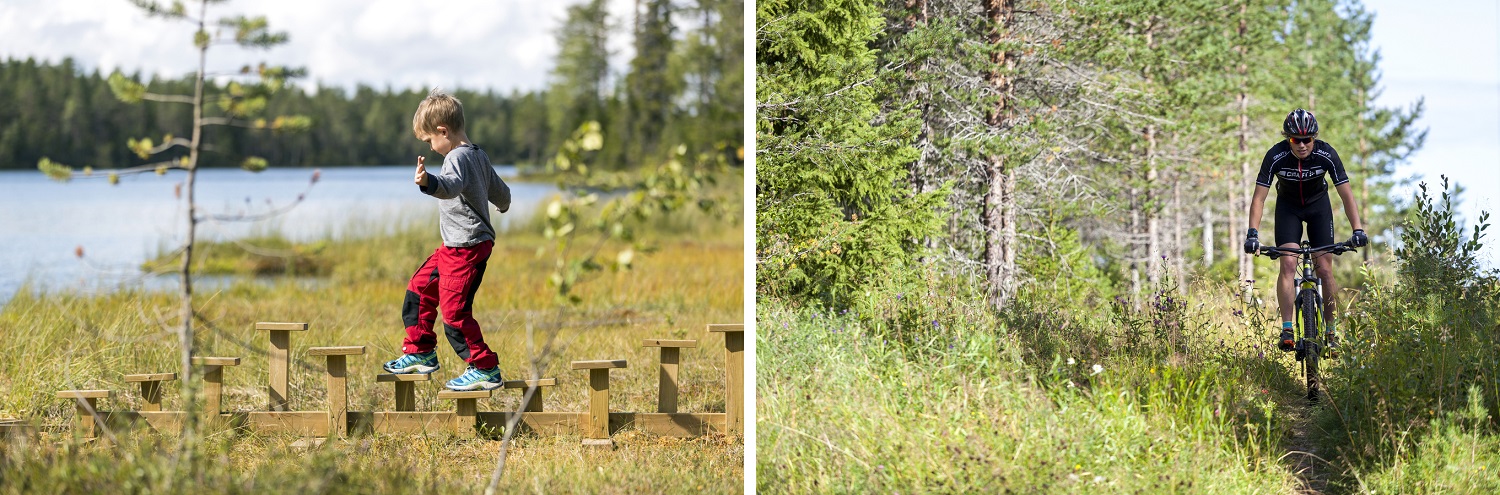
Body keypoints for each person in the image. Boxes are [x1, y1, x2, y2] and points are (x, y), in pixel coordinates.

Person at [382, 89, 512, 391]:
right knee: (419, 290)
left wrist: (428, 182)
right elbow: (500, 191)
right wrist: (503, 205)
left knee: (454, 314)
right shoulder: (479, 155)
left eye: (430, 140)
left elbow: (450, 186)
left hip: (466, 248)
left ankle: (484, 367)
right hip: (454, 247)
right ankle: (420, 351)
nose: (431, 146)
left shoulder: (455, 157)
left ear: (443, 131)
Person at [1244, 108, 1368, 352]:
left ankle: (1332, 332)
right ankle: (1287, 328)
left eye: (1307, 139)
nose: (1301, 145)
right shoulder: (1276, 155)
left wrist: (1358, 229)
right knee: (1288, 264)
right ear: (1287, 138)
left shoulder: (1326, 153)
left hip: (1318, 208)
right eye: (1295, 139)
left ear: (1315, 137)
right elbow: (1259, 198)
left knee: (1325, 268)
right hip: (1288, 209)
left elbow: (1346, 194)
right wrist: (1252, 233)